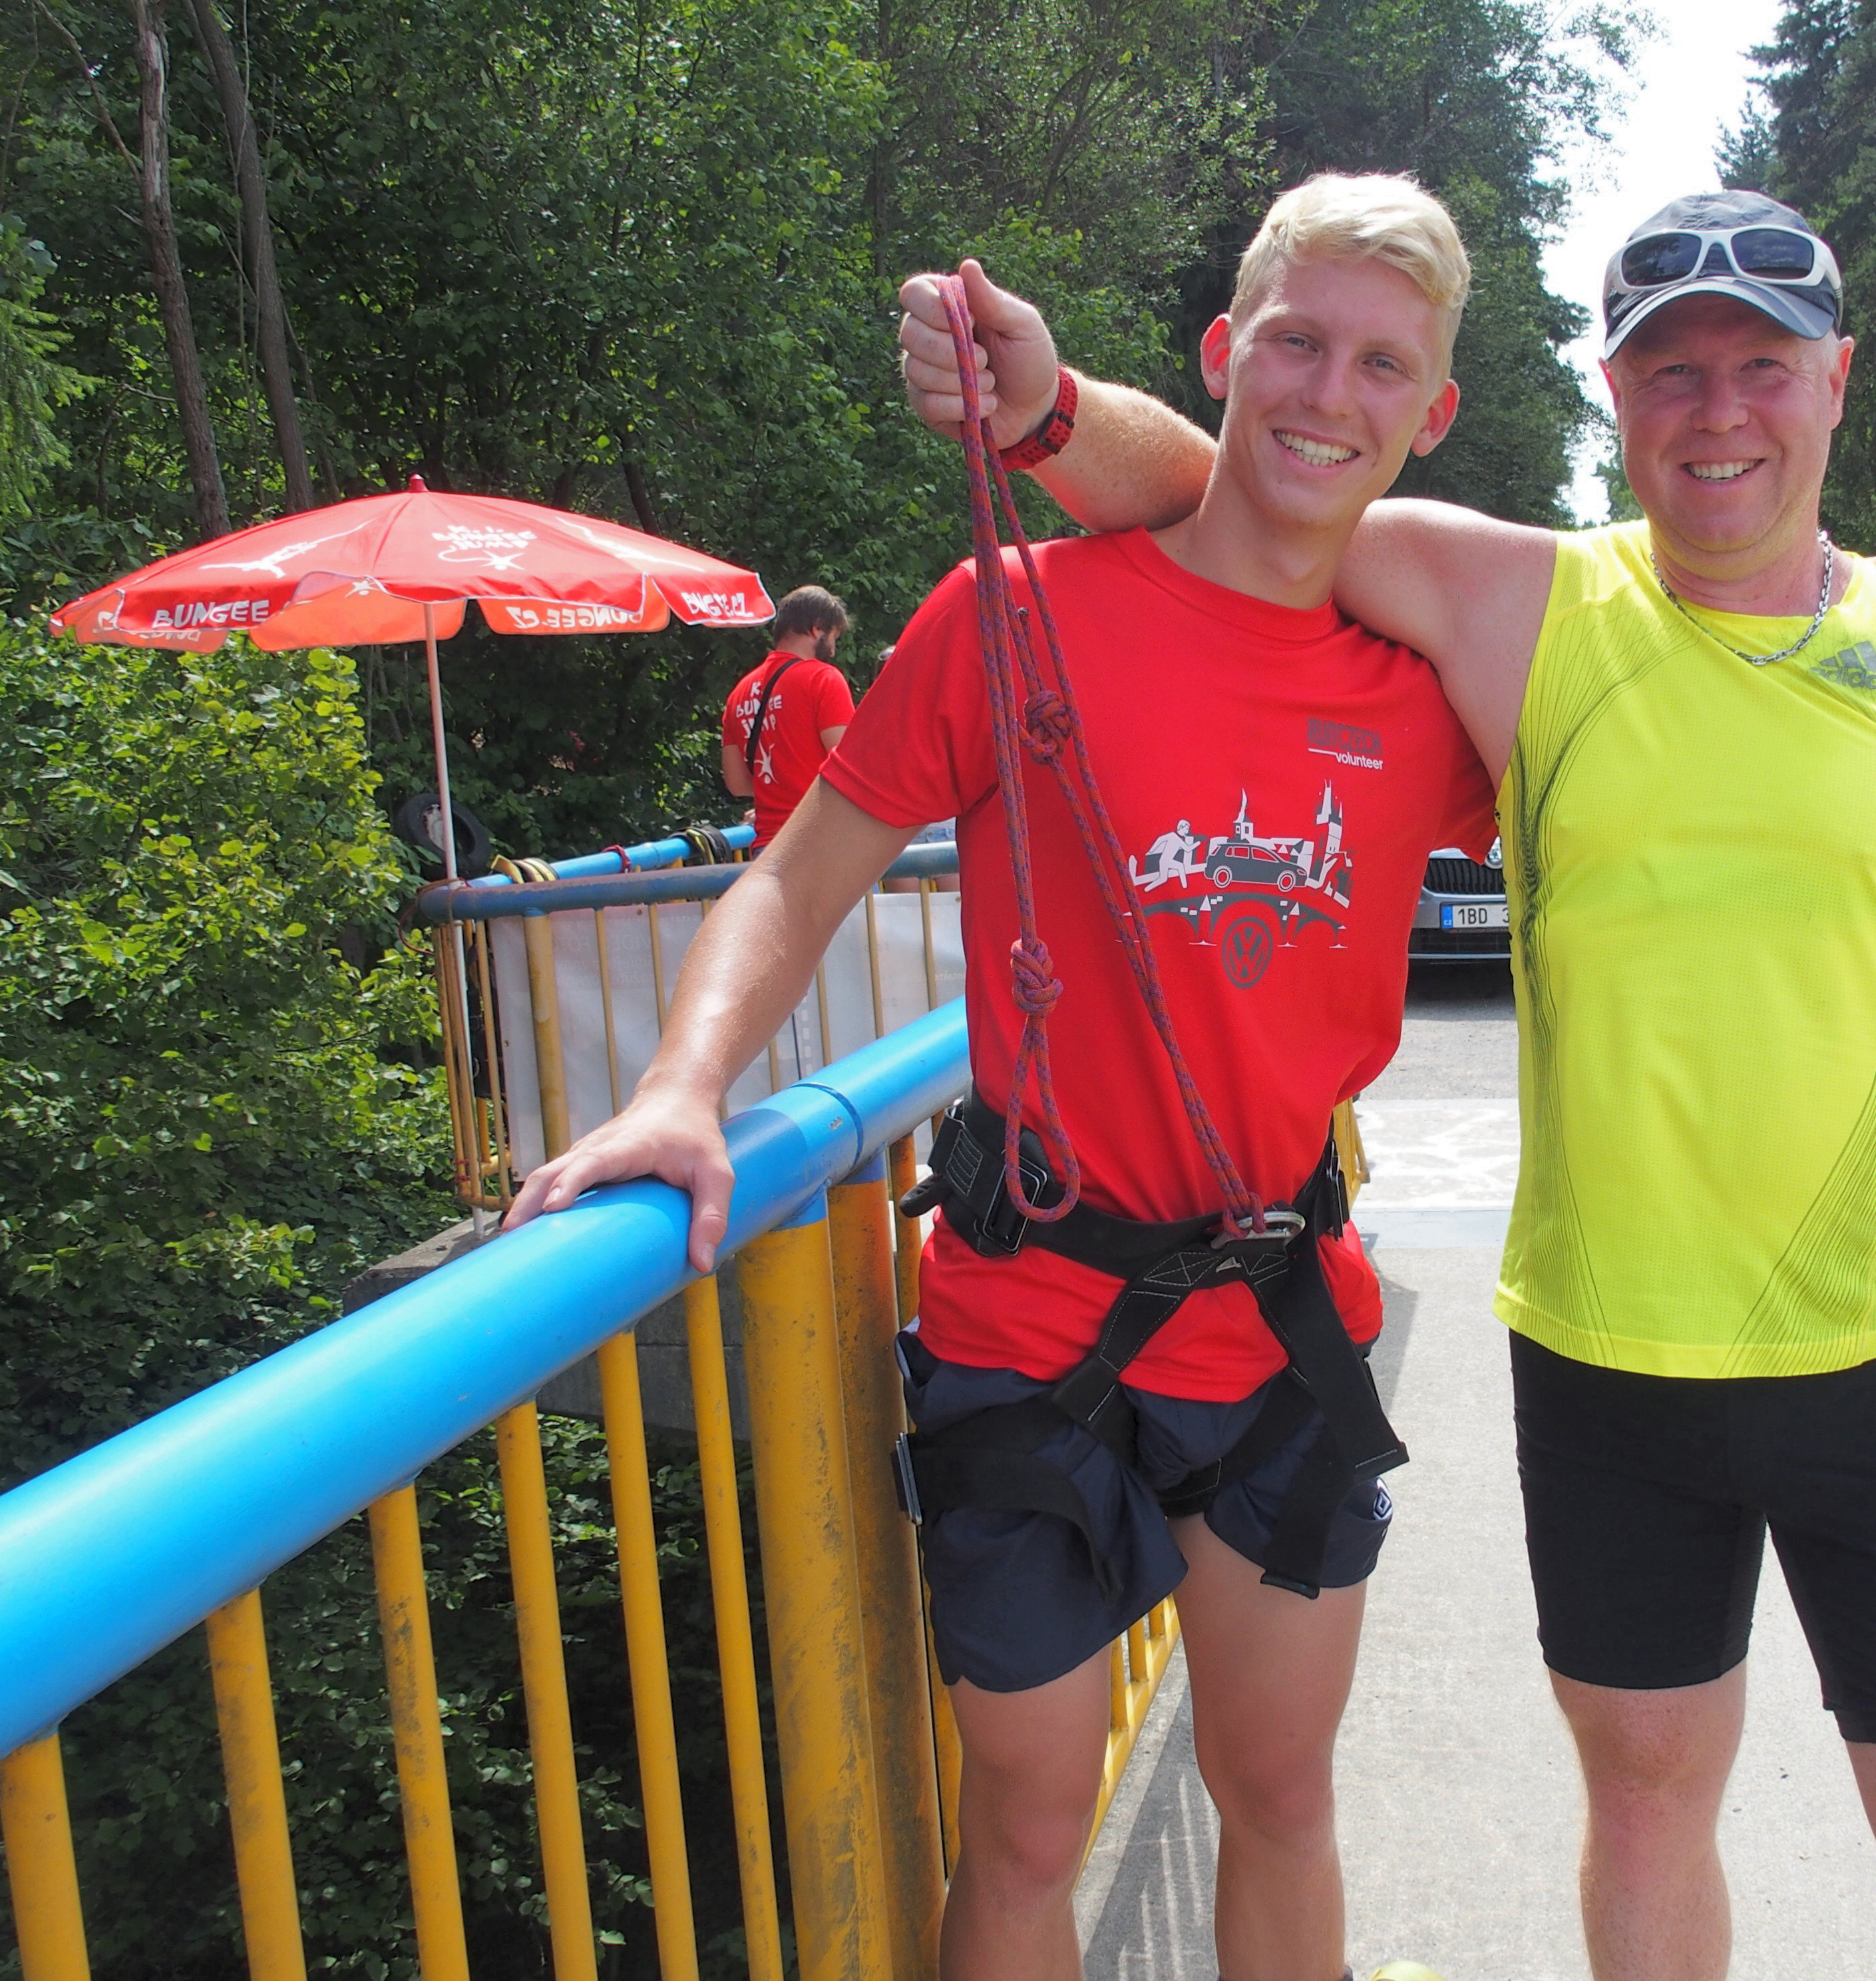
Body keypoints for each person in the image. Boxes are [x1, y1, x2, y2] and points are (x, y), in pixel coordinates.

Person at [896, 187, 1876, 1981]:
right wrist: (1050, 410)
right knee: (1646, 1813)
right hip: (1608, 1367)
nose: (1718, 411)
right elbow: (1248, 488)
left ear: (1838, 382)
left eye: (1763, 368)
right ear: (1615, 395)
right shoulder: (1521, 606)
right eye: (1671, 373)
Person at [510, 174, 1503, 1981]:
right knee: (1030, 1826)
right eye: (1295, 343)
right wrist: (681, 1088)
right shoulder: (1014, 617)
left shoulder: (1427, 693)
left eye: (1380, 365)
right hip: (1027, 1317)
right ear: (1223, 353)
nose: (1327, 394)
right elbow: (802, 872)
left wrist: (1855, 596)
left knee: (1279, 1792)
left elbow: (1686, 728)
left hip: (1276, 1323)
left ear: (1430, 414)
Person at [721, 584, 856, 843]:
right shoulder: (822, 679)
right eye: (833, 637)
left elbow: (737, 784)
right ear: (817, 628)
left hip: (771, 848)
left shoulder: (739, 693)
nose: (833, 650)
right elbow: (849, 766)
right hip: (824, 841)